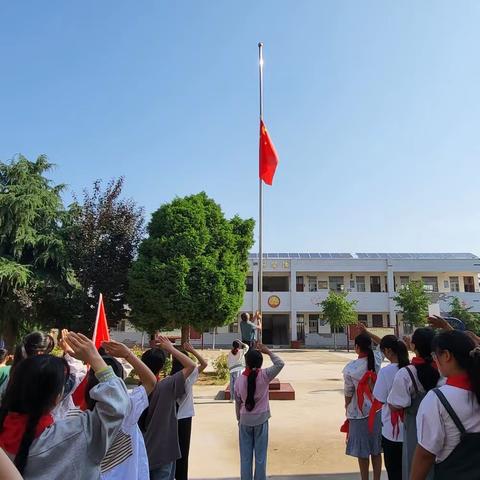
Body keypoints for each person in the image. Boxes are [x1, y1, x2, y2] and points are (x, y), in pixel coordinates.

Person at [0, 332, 129, 479]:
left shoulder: (5, 432)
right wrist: (94, 358)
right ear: (56, 398)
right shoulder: (78, 434)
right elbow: (116, 406)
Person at [411, 330, 480, 480]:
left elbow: (425, 455)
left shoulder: (437, 399)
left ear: (447, 356)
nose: (435, 361)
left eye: (436, 356)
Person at [84, 339, 156, 480]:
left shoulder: (83, 416)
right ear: (120, 381)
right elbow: (151, 382)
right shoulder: (128, 408)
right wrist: (128, 355)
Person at [387, 328, 440, 480]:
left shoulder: (406, 373)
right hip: (441, 423)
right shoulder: (443, 369)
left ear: (413, 346)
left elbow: (395, 404)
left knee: (415, 464)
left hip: (415, 426)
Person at [140, 337, 196, 480]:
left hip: (142, 452)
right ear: (162, 366)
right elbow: (191, 365)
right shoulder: (166, 386)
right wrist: (171, 348)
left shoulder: (137, 391)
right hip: (163, 452)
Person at [234, 344, 285, 480]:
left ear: (246, 363)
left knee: (245, 457)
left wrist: (239, 419)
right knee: (260, 457)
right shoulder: (265, 375)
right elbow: (280, 363)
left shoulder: (239, 380)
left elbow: (238, 403)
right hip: (261, 420)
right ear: (261, 362)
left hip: (245, 420)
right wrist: (268, 351)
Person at [343, 333, 384, 480]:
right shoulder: (377, 359)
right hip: (377, 410)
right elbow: (383, 343)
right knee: (376, 450)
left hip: (358, 413)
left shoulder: (350, 368)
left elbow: (349, 391)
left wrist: (346, 405)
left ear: (357, 348)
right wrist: (367, 331)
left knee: (362, 451)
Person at [371, 333, 410, 480]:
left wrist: (371, 386)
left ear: (388, 351)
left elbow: (380, 398)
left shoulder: (386, 371)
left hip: (392, 431)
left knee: (394, 472)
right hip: (411, 429)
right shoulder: (411, 368)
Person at [169, 342, 208, 480]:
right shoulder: (189, 377)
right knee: (183, 454)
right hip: (185, 419)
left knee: (171, 453)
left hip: (171, 420)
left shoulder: (170, 379)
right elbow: (204, 364)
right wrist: (192, 350)